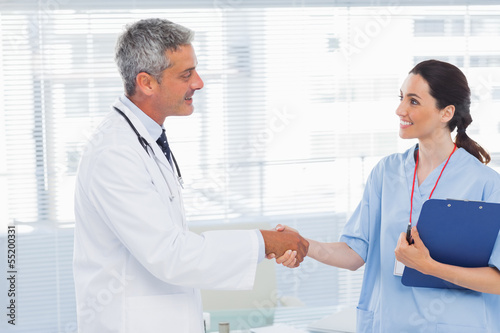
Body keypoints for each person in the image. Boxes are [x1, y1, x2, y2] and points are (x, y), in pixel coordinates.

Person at [73, 18, 308, 333]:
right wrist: (263, 241)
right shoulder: (114, 154)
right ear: (146, 82)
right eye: (186, 74)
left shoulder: (144, 139)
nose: (198, 82)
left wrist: (264, 244)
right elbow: (171, 254)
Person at [275, 59, 500, 332]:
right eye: (401, 98)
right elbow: (355, 253)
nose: (400, 110)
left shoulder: (486, 184)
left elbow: (496, 280)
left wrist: (428, 266)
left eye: (413, 101)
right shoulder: (386, 172)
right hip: (389, 323)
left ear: (446, 113)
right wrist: (303, 244)